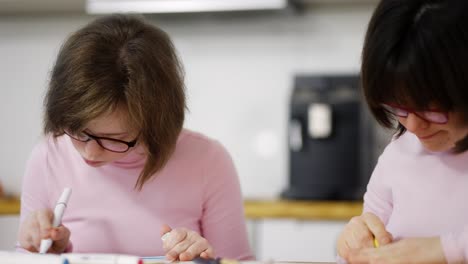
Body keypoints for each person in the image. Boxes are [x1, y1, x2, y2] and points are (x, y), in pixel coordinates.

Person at [16, 14, 253, 261]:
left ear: (156, 123)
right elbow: (27, 256)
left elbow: (237, 262)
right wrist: (43, 253)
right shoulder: (48, 157)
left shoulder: (208, 161)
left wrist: (203, 261)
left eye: (113, 139)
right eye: (77, 130)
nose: (90, 152)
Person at [336, 0, 468, 263]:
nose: (413, 127)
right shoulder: (397, 156)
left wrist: (448, 249)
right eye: (399, 107)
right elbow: (370, 244)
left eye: (432, 107)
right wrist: (353, 245)